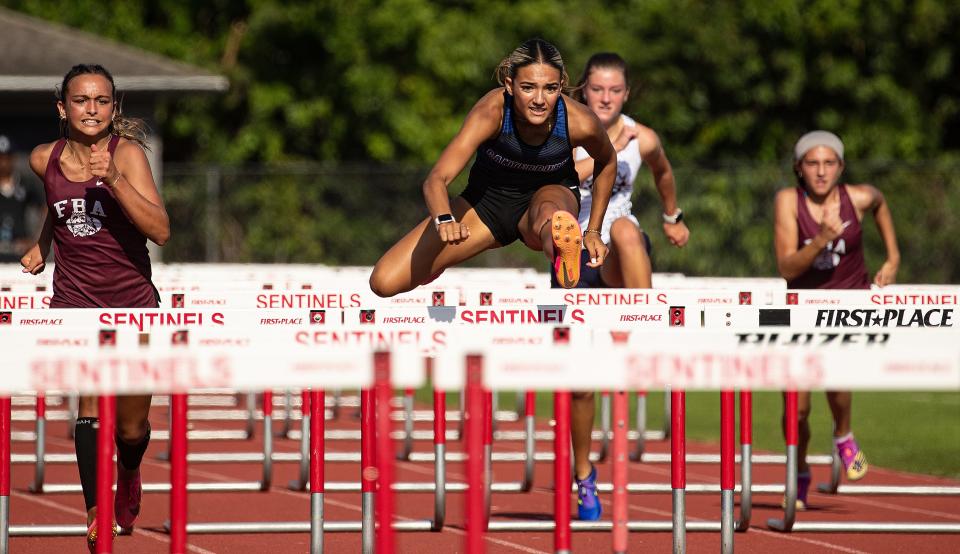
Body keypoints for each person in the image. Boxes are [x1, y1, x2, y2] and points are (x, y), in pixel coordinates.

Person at [20, 64, 170, 550]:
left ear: (114, 107)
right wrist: (44, 242)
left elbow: (161, 230)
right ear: (63, 108)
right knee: (88, 402)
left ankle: (129, 472)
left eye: (101, 101)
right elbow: (57, 200)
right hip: (76, 303)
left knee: (131, 428)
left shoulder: (126, 157)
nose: (91, 109)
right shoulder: (44, 158)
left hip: (133, 305)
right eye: (81, 100)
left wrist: (115, 183)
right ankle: (95, 513)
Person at [550, 52, 691, 521]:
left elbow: (664, 171)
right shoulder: (563, 129)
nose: (605, 98)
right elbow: (571, 176)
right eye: (597, 90)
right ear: (581, 92)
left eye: (614, 91)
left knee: (628, 231)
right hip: (574, 252)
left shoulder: (642, 136)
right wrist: (609, 144)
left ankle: (644, 340)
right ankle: (584, 475)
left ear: (626, 94)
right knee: (582, 388)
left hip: (616, 249)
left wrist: (672, 216)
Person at [369, 38, 618, 297]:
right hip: (487, 205)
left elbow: (608, 161)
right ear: (510, 85)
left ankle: (563, 252)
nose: (540, 100)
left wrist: (593, 231)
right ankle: (441, 260)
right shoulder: (491, 112)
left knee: (550, 217)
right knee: (384, 282)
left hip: (550, 193)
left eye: (551, 88)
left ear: (561, 86)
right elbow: (437, 178)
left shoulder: (580, 121)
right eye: (528, 87)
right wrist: (444, 219)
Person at [773, 130, 900, 509]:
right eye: (812, 163)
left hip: (848, 306)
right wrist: (820, 240)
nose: (821, 172)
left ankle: (843, 434)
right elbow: (786, 266)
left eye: (829, 163)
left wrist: (892, 258)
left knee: (836, 379)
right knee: (797, 406)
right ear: (799, 168)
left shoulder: (857, 197)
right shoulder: (787, 201)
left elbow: (880, 203)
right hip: (800, 308)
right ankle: (798, 470)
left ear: (841, 167)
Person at [0, 135, 44, 263]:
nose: (3, 163)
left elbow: (46, 207)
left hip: (20, 250)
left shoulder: (25, 184)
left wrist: (36, 239)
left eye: (6, 158)